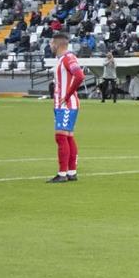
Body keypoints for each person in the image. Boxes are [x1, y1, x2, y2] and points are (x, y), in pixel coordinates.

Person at [49, 31, 84, 183]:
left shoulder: (68, 58)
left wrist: (68, 95)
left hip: (66, 105)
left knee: (61, 137)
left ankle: (62, 173)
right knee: (67, 136)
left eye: (52, 43)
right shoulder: (62, 59)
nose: (50, 45)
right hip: (62, 104)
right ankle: (71, 172)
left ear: (57, 44)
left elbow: (80, 76)